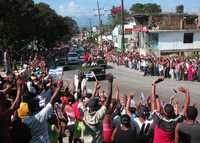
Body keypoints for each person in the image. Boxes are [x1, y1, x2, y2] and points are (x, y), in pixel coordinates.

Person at [151, 77, 190, 143]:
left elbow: (152, 100)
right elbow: (185, 108)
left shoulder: (158, 120)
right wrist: (187, 93)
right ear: (172, 112)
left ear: (163, 111)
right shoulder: (175, 121)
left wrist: (154, 84)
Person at [78, 73, 114, 143]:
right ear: (97, 107)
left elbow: (79, 98)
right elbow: (108, 100)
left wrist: (80, 81)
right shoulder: (98, 115)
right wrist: (110, 82)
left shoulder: (84, 113)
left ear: (88, 106)